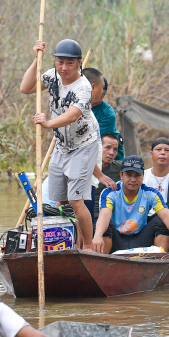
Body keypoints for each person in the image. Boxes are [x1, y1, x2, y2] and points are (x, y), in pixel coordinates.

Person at [21, 38, 100, 251]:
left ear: (79, 63)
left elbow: (73, 115)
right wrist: (36, 60)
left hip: (84, 144)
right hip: (62, 144)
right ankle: (68, 242)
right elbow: (26, 87)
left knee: (76, 200)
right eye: (60, 62)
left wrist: (47, 124)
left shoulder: (83, 87)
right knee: (62, 201)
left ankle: (89, 246)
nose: (64, 68)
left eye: (70, 63)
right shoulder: (53, 75)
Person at [93, 155, 169, 254]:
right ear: (121, 175)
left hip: (141, 240)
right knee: (102, 224)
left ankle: (159, 260)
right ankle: (104, 257)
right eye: (129, 175)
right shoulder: (110, 193)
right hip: (117, 239)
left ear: (143, 176)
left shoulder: (151, 193)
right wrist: (97, 236)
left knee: (162, 220)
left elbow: (166, 216)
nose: (133, 180)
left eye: (137, 175)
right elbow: (104, 215)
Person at [82, 68, 124, 162]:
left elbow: (94, 141)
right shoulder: (77, 104)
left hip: (108, 158)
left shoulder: (108, 114)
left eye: (103, 95)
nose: (99, 98)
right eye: (98, 93)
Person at [91, 134, 122, 218]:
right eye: (107, 148)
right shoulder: (85, 166)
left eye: (115, 149)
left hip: (110, 215)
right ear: (98, 148)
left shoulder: (120, 168)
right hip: (87, 214)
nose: (111, 153)